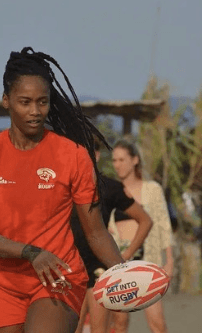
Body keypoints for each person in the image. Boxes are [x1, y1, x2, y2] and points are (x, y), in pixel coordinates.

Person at [0, 47, 125, 333]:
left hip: (60, 276)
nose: (35, 112)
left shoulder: (73, 155)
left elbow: (96, 232)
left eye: (42, 102)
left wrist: (126, 274)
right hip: (5, 284)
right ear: (6, 101)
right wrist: (31, 252)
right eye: (25, 102)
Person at [73, 141, 153, 333]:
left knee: (99, 330)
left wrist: (126, 256)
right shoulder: (62, 186)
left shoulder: (110, 187)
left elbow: (145, 220)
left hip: (100, 270)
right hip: (70, 266)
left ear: (97, 155)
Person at [111, 140, 174, 333]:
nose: (117, 164)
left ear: (135, 160)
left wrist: (169, 260)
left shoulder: (152, 189)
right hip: (119, 262)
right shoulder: (112, 190)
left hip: (148, 262)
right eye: (114, 160)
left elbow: (163, 224)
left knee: (157, 323)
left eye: (122, 159)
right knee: (120, 323)